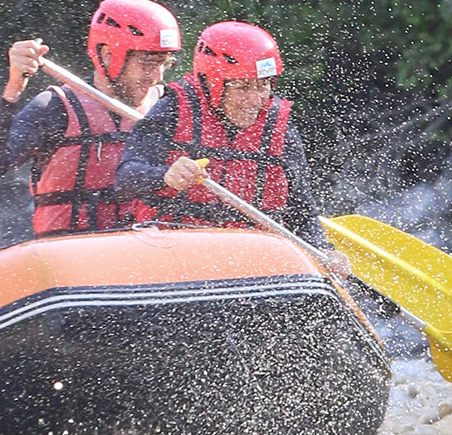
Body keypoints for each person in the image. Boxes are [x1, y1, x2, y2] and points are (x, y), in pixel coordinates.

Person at [115, 20, 346, 275]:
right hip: (173, 256)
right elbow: (125, 177)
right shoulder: (173, 109)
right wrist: (165, 176)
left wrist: (322, 248)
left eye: (262, 86)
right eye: (242, 87)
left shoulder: (279, 124)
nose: (255, 100)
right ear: (210, 82)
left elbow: (301, 210)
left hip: (247, 261)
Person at [0, 0, 181, 233]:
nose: (157, 76)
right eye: (146, 63)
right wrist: (13, 89)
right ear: (107, 54)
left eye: (164, 63)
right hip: (70, 252)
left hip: (138, 249)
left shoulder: (166, 107)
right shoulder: (54, 108)